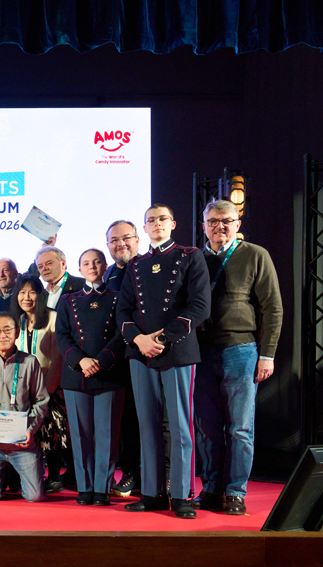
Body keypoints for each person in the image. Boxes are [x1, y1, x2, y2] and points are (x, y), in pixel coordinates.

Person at [117, 204, 211, 519]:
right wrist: (139, 340)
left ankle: (182, 495)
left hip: (177, 350)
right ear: (144, 228)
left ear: (173, 224)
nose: (156, 224)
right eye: (151, 220)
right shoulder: (136, 265)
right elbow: (123, 310)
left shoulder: (190, 256)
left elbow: (200, 306)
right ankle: (153, 494)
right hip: (140, 353)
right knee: (147, 425)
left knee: (181, 426)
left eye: (162, 219)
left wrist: (162, 338)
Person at [193, 200, 282, 516]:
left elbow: (272, 308)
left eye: (226, 221)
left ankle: (235, 493)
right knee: (206, 427)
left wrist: (267, 354)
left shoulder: (256, 255)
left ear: (237, 224)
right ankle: (211, 488)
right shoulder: (195, 259)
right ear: (204, 226)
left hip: (241, 350)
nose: (220, 226)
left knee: (240, 428)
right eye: (213, 221)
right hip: (201, 353)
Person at [55, 249, 128, 506]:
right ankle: (84, 489)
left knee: (107, 436)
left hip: (109, 373)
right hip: (77, 375)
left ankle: (102, 489)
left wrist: (102, 360)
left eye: (97, 262)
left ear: (105, 266)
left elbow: (121, 334)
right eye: (86, 263)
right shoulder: (68, 300)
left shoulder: (118, 298)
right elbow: (62, 336)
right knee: (80, 436)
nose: (92, 266)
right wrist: (81, 360)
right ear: (79, 269)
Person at [0, 313, 49, 502]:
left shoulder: (30, 362)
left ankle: (27, 470)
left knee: (35, 497)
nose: (3, 335)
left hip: (22, 443)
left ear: (17, 333)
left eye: (7, 330)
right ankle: (4, 477)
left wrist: (30, 429)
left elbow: (41, 400)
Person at [10, 273, 70, 492]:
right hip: (22, 389)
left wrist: (46, 391)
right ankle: (28, 475)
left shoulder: (54, 318)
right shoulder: (16, 322)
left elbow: (57, 358)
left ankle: (54, 476)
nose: (26, 297)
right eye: (22, 292)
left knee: (50, 431)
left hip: (50, 387)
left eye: (32, 292)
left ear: (40, 295)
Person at [103, 219, 143, 498]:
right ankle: (130, 473)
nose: (121, 244)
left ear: (137, 239)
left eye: (126, 238)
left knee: (144, 419)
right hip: (114, 358)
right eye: (114, 240)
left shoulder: (146, 267)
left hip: (141, 353)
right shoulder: (108, 274)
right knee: (125, 420)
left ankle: (149, 474)